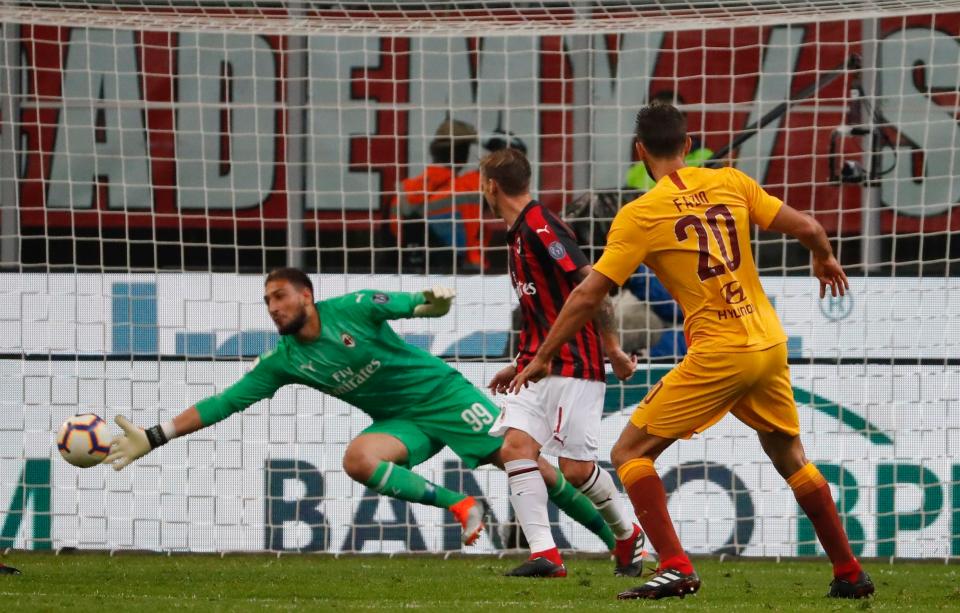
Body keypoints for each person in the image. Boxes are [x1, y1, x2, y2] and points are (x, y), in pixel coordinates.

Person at [509, 102, 874, 600]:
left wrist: (545, 353)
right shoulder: (731, 181)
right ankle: (849, 572)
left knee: (629, 452)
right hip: (767, 342)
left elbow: (589, 293)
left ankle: (677, 565)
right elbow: (809, 228)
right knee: (789, 455)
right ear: (687, 144)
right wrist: (825, 258)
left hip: (720, 350)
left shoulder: (639, 215)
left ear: (639, 150)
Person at [105, 267, 626, 555]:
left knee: (531, 467)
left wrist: (431, 305)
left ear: (307, 295)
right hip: (402, 424)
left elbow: (407, 303)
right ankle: (461, 506)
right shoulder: (283, 360)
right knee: (358, 459)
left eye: (280, 296)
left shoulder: (351, 308)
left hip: (443, 397)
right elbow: (224, 403)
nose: (273, 307)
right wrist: (155, 435)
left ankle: (618, 543)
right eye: (267, 301)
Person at [479, 149, 646, 578]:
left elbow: (590, 284)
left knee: (575, 470)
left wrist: (611, 350)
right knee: (515, 448)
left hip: (575, 362)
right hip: (537, 365)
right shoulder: (518, 234)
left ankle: (628, 536)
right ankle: (546, 555)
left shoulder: (539, 226)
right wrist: (521, 362)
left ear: (491, 186)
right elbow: (542, 310)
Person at [389, 119, 488, 273]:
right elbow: (510, 161)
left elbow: (393, 236)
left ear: (433, 151)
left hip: (412, 277)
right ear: (464, 154)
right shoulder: (469, 187)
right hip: (465, 277)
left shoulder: (402, 191)